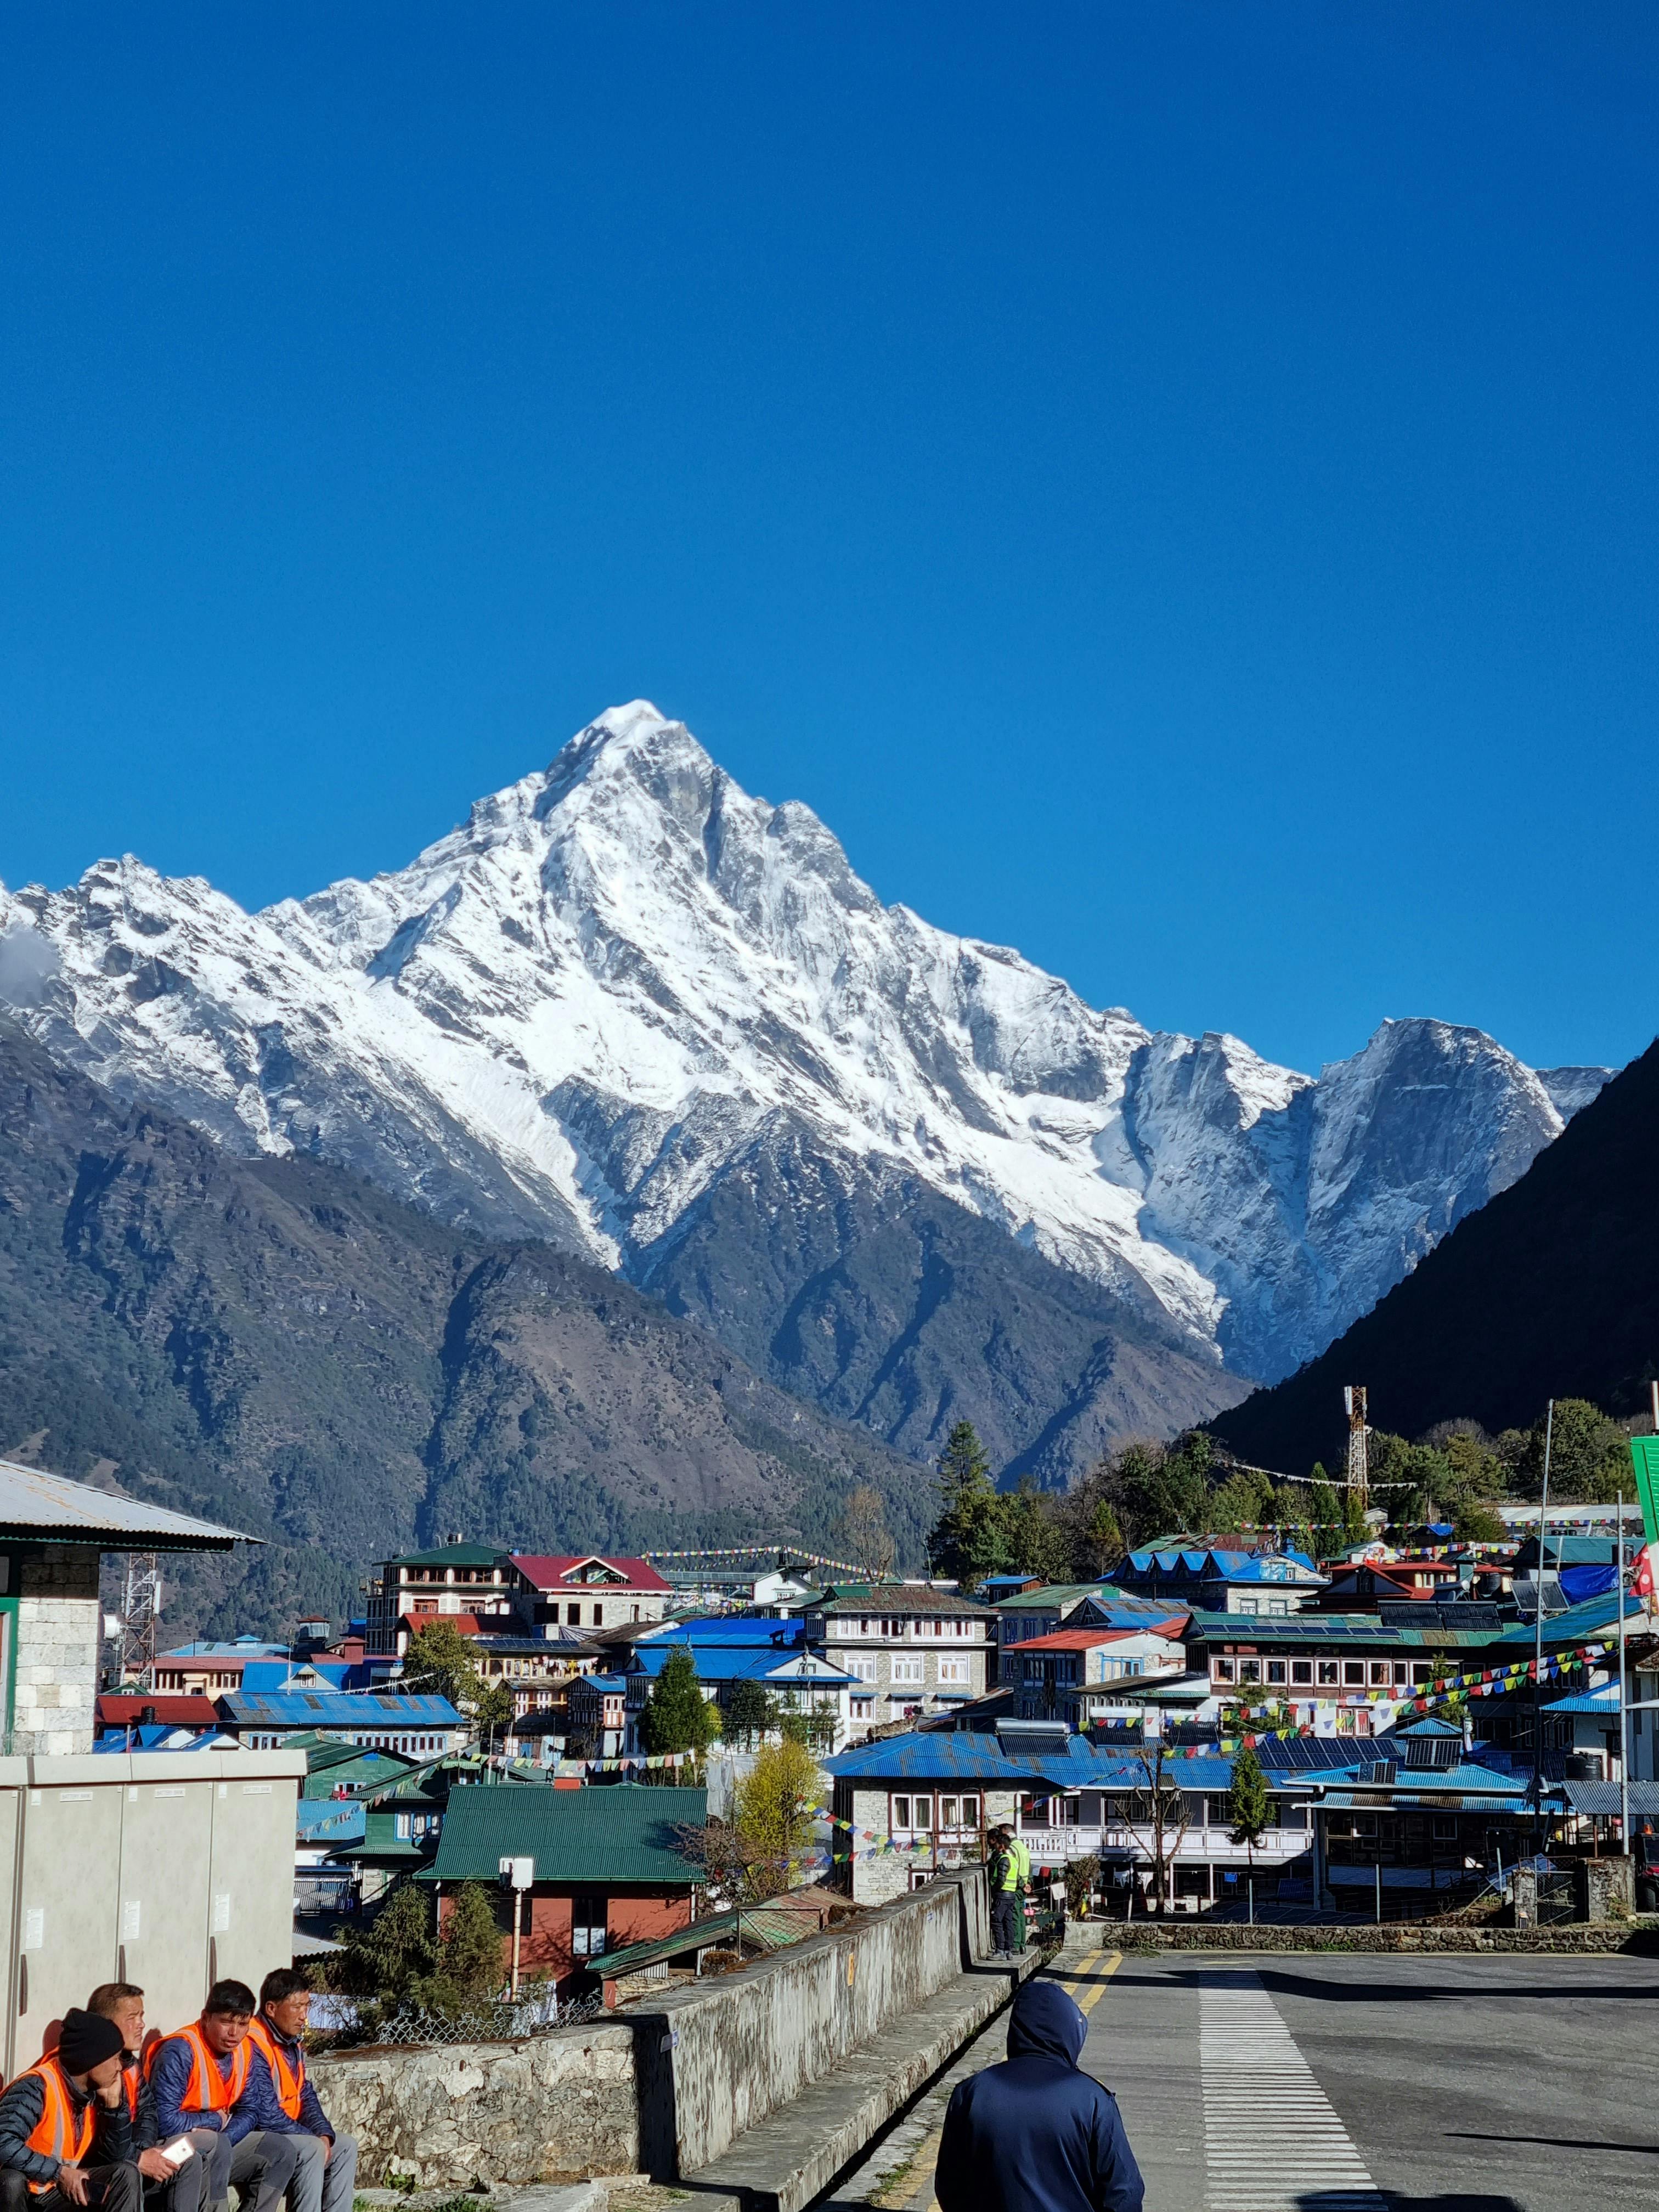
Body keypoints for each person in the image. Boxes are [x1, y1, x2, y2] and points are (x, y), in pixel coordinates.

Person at [936, 1979, 1143, 2212]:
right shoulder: (1093, 2099)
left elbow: (950, 2185)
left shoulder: (970, 2092)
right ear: (1069, 2032)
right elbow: (1124, 2192)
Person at [146, 1984, 299, 2212]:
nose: (234, 2033)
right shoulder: (180, 2051)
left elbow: (250, 2110)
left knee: (280, 2150)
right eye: (226, 2022)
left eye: (242, 2024)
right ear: (206, 2018)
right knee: (213, 2144)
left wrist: (225, 2138)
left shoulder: (244, 2050)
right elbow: (164, 2120)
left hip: (218, 2141)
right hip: (172, 2148)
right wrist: (214, 2122)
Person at [0, 2008, 140, 2212]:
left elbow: (115, 2157)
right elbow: (3, 2141)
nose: (120, 2067)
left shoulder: (95, 2093)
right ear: (93, 2059)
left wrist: (114, 2109)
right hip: (27, 2194)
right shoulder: (37, 2086)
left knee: (125, 2173)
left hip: (55, 2193)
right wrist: (59, 2172)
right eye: (116, 2058)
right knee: (10, 2181)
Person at [240, 1971, 357, 2212]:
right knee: (312, 2148)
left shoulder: (291, 2042)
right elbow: (266, 2114)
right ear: (271, 2009)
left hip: (288, 2130)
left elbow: (305, 2093)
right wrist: (313, 2139)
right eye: (297, 2008)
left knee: (345, 2145)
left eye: (307, 2006)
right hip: (262, 2133)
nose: (305, 2016)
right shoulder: (253, 2041)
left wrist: (324, 2133)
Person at [82, 1987, 179, 2197]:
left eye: (141, 2016)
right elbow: (101, 2146)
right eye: (132, 2017)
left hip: (129, 2154)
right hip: (88, 2172)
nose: (141, 2024)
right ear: (106, 2025)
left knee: (189, 2159)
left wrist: (143, 2150)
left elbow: (148, 2112)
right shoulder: (91, 2069)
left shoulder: (131, 2064)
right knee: (128, 2174)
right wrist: (138, 2159)